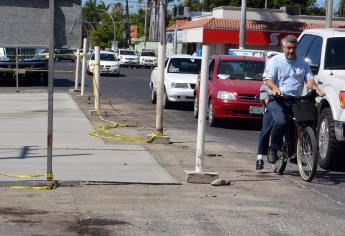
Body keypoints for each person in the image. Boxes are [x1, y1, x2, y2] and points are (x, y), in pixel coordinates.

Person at [263, 35, 325, 164]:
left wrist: (315, 88)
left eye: (294, 48)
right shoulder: (275, 61)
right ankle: (273, 148)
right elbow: (268, 80)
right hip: (278, 98)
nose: (291, 51)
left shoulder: (302, 63)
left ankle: (293, 151)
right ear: (283, 47)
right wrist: (274, 88)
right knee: (281, 122)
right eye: (288, 48)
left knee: (303, 122)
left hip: (295, 99)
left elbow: (309, 80)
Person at [256, 84, 272, 170]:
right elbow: (264, 87)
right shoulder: (270, 72)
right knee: (265, 130)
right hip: (270, 103)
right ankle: (259, 157)